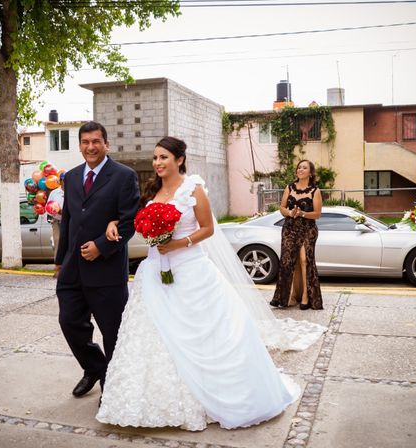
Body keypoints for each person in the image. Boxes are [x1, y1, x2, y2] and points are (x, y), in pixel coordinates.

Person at [96, 137, 325, 431]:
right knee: (153, 336)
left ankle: (207, 398)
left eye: (163, 157)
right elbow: (132, 218)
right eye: (155, 158)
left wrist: (180, 242)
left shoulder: (193, 188)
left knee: (206, 336)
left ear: (179, 159)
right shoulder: (153, 190)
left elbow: (208, 229)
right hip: (155, 274)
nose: (157, 163)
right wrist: (114, 223)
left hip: (190, 272)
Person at [55, 121, 140, 399]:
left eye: (96, 141)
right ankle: (95, 367)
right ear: (80, 145)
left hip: (106, 272)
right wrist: (59, 260)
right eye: (85, 142)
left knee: (112, 334)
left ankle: (112, 387)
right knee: (69, 323)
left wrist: (101, 247)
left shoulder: (124, 176)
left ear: (106, 144)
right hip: (72, 269)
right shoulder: (71, 176)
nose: (90, 147)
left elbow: (129, 222)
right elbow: (68, 220)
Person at [270, 159, 324, 310]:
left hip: (308, 229)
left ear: (310, 172)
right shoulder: (290, 187)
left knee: (304, 260)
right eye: (299, 167)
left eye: (304, 167)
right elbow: (282, 208)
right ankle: (286, 298)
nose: (300, 170)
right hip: (289, 228)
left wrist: (303, 213)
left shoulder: (315, 191)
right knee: (287, 262)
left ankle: (306, 296)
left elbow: (318, 214)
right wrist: (290, 212)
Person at [47, 180, 64, 259]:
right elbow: (48, 207)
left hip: (70, 221)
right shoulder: (54, 193)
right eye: (63, 180)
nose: (65, 182)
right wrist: (55, 211)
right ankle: (58, 265)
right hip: (57, 221)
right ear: (60, 182)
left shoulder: (72, 190)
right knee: (57, 242)